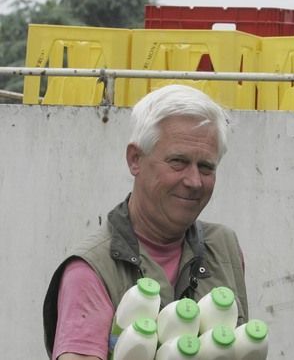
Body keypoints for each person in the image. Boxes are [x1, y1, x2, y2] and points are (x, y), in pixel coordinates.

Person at [42, 84, 248, 360]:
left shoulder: (224, 248)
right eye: (178, 162)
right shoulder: (92, 270)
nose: (194, 181)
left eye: (206, 167)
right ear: (135, 159)